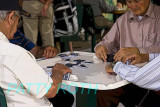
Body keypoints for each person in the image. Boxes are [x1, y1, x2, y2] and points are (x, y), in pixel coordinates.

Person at [0, 0, 74, 107]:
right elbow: (51, 91)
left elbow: (35, 50)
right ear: (10, 17)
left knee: (65, 97)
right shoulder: (16, 54)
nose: (18, 26)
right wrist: (58, 72)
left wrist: (45, 50)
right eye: (19, 20)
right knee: (64, 97)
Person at [95, 0, 160, 106]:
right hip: (125, 76)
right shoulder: (123, 20)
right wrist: (102, 47)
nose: (133, 6)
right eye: (129, 1)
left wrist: (140, 51)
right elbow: (108, 43)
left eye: (137, 1)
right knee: (104, 93)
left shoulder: (158, 16)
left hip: (152, 78)